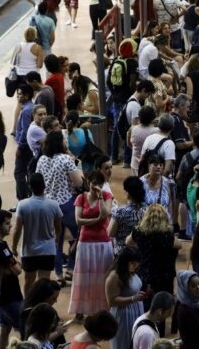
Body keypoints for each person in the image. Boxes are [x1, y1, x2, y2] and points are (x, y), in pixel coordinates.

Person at [35, 130, 84, 281]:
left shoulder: (42, 159)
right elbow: (79, 183)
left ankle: (59, 274)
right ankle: (70, 266)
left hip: (48, 204)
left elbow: (38, 179)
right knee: (80, 235)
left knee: (56, 240)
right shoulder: (65, 159)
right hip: (67, 203)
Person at [126, 205, 180, 334]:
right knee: (162, 302)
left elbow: (128, 242)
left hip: (144, 272)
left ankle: (143, 328)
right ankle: (159, 331)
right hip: (163, 274)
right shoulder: (167, 234)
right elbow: (179, 245)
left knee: (144, 301)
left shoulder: (138, 231)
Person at [69, 170, 113, 316]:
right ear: (89, 183)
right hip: (86, 241)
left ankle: (102, 306)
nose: (96, 186)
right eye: (94, 183)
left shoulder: (106, 196)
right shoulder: (81, 198)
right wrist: (96, 221)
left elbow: (105, 214)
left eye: (99, 184)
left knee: (102, 274)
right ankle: (81, 308)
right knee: (83, 275)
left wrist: (100, 197)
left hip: (103, 242)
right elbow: (78, 220)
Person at [12, 173, 63, 294]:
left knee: (29, 281)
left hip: (29, 251)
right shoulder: (54, 205)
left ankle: (28, 307)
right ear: (44, 186)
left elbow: (17, 229)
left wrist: (14, 247)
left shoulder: (22, 205)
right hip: (48, 250)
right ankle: (42, 307)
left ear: (30, 187)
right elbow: (59, 228)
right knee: (44, 282)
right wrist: (55, 241)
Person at [0, 209, 24, 349]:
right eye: (7, 223)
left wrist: (12, 267)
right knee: (24, 329)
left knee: (5, 329)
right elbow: (18, 270)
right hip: (9, 297)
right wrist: (15, 265)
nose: (11, 226)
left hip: (1, 296)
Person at [105, 247, 146, 349]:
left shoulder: (131, 272)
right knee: (124, 343)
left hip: (136, 310)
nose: (136, 266)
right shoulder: (114, 277)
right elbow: (111, 301)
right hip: (123, 315)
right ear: (124, 262)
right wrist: (132, 299)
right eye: (132, 263)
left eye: (137, 263)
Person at [108, 176, 148, 251]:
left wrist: (115, 209)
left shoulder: (120, 211)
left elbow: (110, 233)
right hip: (141, 252)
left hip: (123, 253)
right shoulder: (147, 209)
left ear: (128, 193)